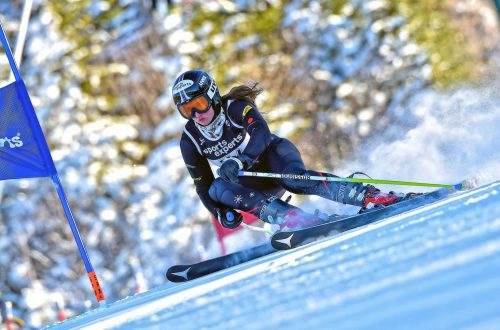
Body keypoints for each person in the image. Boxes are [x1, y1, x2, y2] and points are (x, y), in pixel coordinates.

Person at [173, 70, 408, 230]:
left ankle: (366, 195)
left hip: (274, 159)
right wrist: (220, 213)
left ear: (212, 96)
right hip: (251, 188)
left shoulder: (235, 108)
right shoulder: (190, 140)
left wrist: (242, 161)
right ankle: (292, 219)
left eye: (200, 104)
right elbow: (203, 185)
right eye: (187, 110)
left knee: (293, 180)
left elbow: (261, 134)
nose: (197, 115)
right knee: (217, 188)